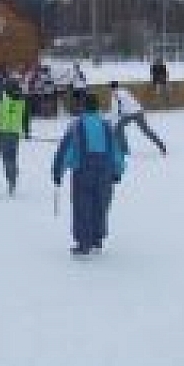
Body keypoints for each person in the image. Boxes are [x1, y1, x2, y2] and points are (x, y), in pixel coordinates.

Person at [51, 92, 127, 257]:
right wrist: (118, 170)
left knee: (82, 205)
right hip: (105, 172)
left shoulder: (76, 126)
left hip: (83, 172)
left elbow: (64, 152)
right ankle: (97, 239)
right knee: (101, 205)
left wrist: (58, 172)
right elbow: (117, 150)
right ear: (97, 107)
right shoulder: (107, 125)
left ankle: (84, 242)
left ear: (83, 106)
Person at [0, 80, 31, 196]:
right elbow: (26, 117)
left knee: (7, 158)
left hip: (4, 132)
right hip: (14, 133)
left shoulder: (0, 97)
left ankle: (11, 179)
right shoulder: (22, 99)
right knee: (12, 157)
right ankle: (13, 175)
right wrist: (26, 131)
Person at [108, 81, 166, 155]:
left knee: (118, 128)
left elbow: (116, 109)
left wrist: (110, 119)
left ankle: (124, 150)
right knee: (146, 130)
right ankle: (161, 146)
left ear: (111, 88)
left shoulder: (115, 94)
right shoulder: (124, 91)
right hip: (137, 111)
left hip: (129, 114)